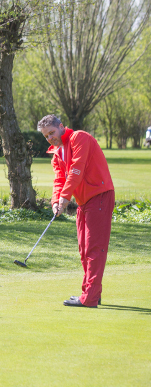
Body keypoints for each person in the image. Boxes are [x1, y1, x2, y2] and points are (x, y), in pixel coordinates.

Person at [38, 114, 115, 308]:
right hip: (84, 202)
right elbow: (59, 180)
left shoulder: (79, 138)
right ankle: (91, 292)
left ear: (61, 127)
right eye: (46, 136)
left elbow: (76, 170)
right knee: (83, 249)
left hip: (99, 195)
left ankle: (89, 298)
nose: (50, 138)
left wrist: (65, 198)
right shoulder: (57, 153)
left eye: (52, 132)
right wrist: (56, 202)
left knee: (94, 248)